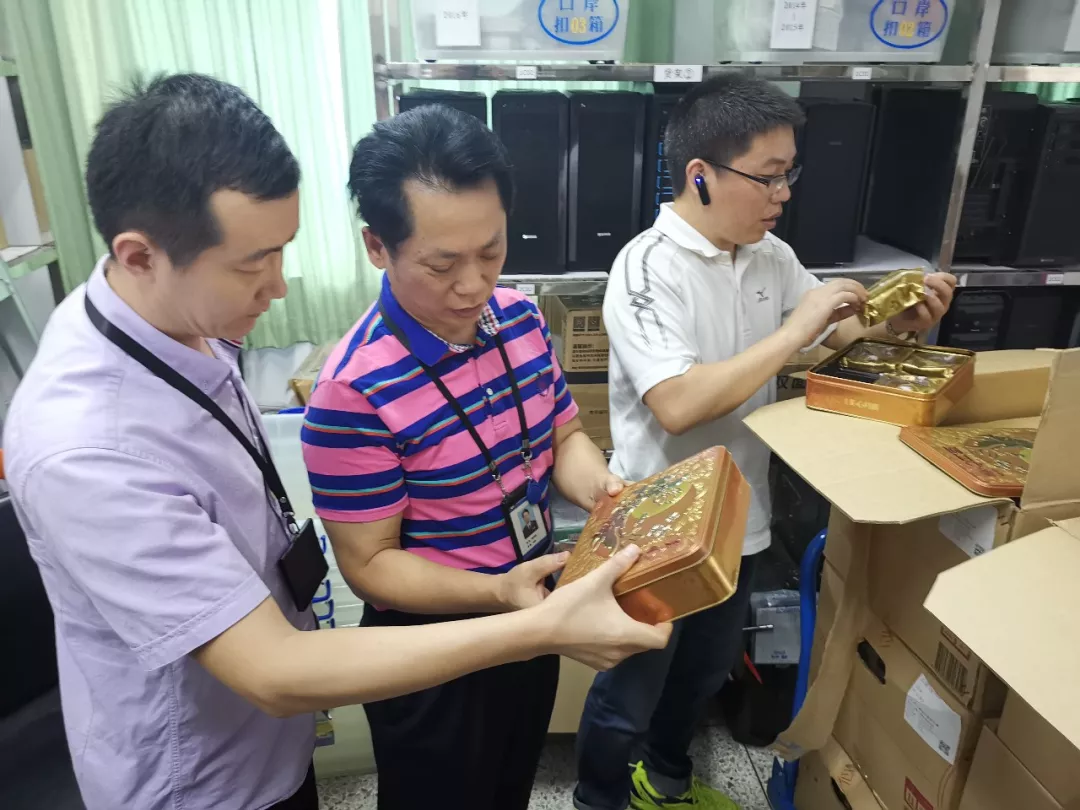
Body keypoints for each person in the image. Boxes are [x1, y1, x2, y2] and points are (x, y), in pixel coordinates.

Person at [1, 74, 671, 810]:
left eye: (281, 251)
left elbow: (560, 430)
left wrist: (579, 530)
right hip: (199, 776)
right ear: (140, 258)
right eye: (252, 262)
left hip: (281, 733)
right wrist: (534, 621)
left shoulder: (185, 323)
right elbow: (275, 667)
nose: (279, 288)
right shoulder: (88, 447)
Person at [573, 74, 958, 810]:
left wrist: (895, 321)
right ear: (700, 175)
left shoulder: (768, 254)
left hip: (741, 519)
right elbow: (678, 403)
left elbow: (838, 330)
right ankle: (599, 799)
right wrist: (796, 329)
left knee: (703, 673)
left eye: (789, 174)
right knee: (630, 686)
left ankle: (664, 783)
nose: (783, 194)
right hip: (658, 528)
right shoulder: (646, 267)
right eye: (768, 176)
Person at [298, 104, 650, 810]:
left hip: (530, 616)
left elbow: (562, 437)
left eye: (491, 251)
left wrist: (603, 490)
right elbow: (371, 566)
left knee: (508, 785)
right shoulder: (352, 390)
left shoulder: (519, 318)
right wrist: (498, 595)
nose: (473, 285)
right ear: (377, 246)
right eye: (442, 263)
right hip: (430, 651)